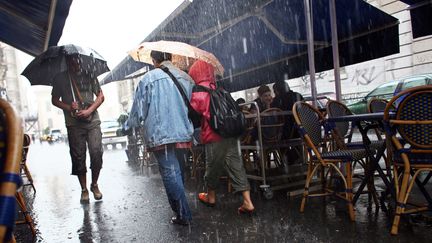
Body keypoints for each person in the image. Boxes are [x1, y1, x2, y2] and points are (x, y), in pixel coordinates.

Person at [124, 50, 194, 226]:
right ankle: (181, 211)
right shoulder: (185, 77)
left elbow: (138, 111)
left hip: (161, 135)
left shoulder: (148, 79)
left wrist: (129, 126)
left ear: (154, 60)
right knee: (178, 172)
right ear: (170, 57)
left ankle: (183, 214)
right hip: (184, 132)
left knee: (171, 173)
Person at [189, 60, 255, 215]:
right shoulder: (220, 89)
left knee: (212, 167)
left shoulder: (198, 91)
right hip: (230, 133)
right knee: (236, 165)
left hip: (214, 135)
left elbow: (194, 114)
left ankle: (210, 197)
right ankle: (248, 201)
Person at [51, 55, 105, 203]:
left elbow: (100, 96)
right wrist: (69, 107)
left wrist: (89, 110)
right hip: (74, 123)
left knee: (96, 152)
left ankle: (94, 184)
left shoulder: (89, 74)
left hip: (92, 120)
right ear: (67, 62)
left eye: (78, 60)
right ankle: (84, 189)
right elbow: (54, 99)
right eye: (73, 61)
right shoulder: (60, 78)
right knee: (78, 156)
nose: (76, 64)